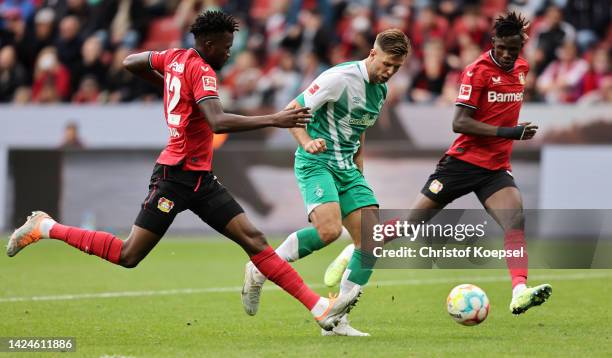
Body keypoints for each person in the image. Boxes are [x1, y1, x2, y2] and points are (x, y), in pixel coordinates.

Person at [6, 10, 360, 332]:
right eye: (225, 47)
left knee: (253, 241)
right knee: (129, 255)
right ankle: (45, 227)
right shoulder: (202, 70)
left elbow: (131, 61)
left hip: (200, 179)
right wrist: (275, 119)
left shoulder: (175, 58)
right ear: (207, 44)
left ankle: (318, 308)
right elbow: (218, 121)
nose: (228, 54)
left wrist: (171, 84)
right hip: (174, 178)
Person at [325, 12, 552, 316]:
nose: (508, 55)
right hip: (461, 163)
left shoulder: (522, 69)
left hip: (496, 168)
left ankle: (519, 291)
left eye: (514, 49)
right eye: (503, 48)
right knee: (411, 222)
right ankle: (360, 244)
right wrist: (510, 132)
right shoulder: (477, 70)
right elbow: (459, 123)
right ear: (493, 42)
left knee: (515, 221)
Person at [241, 28, 411, 336]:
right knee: (330, 230)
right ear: (372, 54)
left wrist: (360, 166)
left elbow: (359, 127)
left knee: (370, 243)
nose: (389, 72)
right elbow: (292, 110)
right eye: (386, 64)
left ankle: (336, 322)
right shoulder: (339, 78)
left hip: (347, 168)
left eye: (396, 68)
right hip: (316, 161)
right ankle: (260, 267)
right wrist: (306, 141)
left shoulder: (381, 91)